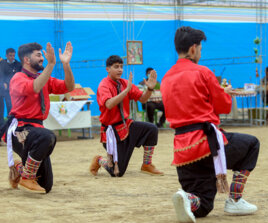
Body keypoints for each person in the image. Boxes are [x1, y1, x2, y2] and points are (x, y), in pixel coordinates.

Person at [161, 26, 259, 223]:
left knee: (204, 205)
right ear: (193, 49)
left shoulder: (166, 78)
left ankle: (189, 198)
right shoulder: (203, 72)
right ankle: (235, 199)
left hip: (182, 150)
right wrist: (226, 93)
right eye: (200, 49)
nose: (200, 53)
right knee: (252, 144)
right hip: (207, 144)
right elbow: (223, 106)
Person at [0, 42, 75, 193]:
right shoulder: (18, 78)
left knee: (46, 186)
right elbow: (35, 86)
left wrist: (66, 64)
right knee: (47, 136)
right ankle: (27, 177)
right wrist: (51, 65)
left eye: (42, 55)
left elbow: (69, 87)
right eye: (39, 55)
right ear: (27, 60)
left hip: (36, 131)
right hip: (20, 130)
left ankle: (19, 167)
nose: (43, 58)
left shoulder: (44, 77)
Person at [89, 55, 163, 178]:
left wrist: (150, 88)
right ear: (108, 69)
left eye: (121, 67)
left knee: (152, 129)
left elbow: (143, 99)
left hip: (126, 126)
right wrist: (126, 91)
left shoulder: (124, 83)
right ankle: (99, 160)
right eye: (116, 67)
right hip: (111, 133)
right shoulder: (104, 85)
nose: (120, 70)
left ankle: (146, 164)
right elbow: (109, 104)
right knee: (117, 173)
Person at [0, 48, 22, 126]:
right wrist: (3, 83)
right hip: (2, 89)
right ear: (6, 55)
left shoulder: (18, 64)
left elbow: (20, 76)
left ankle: (11, 124)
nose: (12, 57)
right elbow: (1, 74)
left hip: (13, 90)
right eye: (10, 55)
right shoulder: (2, 63)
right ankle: (1, 125)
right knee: (1, 108)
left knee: (11, 107)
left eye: (13, 55)